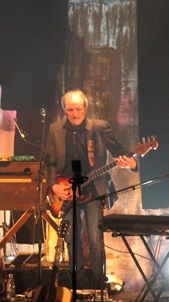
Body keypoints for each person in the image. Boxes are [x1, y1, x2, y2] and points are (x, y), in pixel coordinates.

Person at [45, 89, 137, 288]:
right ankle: (76, 284)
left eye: (78, 109)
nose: (75, 114)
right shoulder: (54, 129)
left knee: (95, 240)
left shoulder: (100, 128)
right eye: (70, 110)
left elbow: (119, 152)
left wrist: (131, 163)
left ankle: (97, 283)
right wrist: (54, 187)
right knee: (71, 238)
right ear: (64, 110)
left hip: (93, 189)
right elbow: (50, 163)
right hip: (66, 191)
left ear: (85, 108)